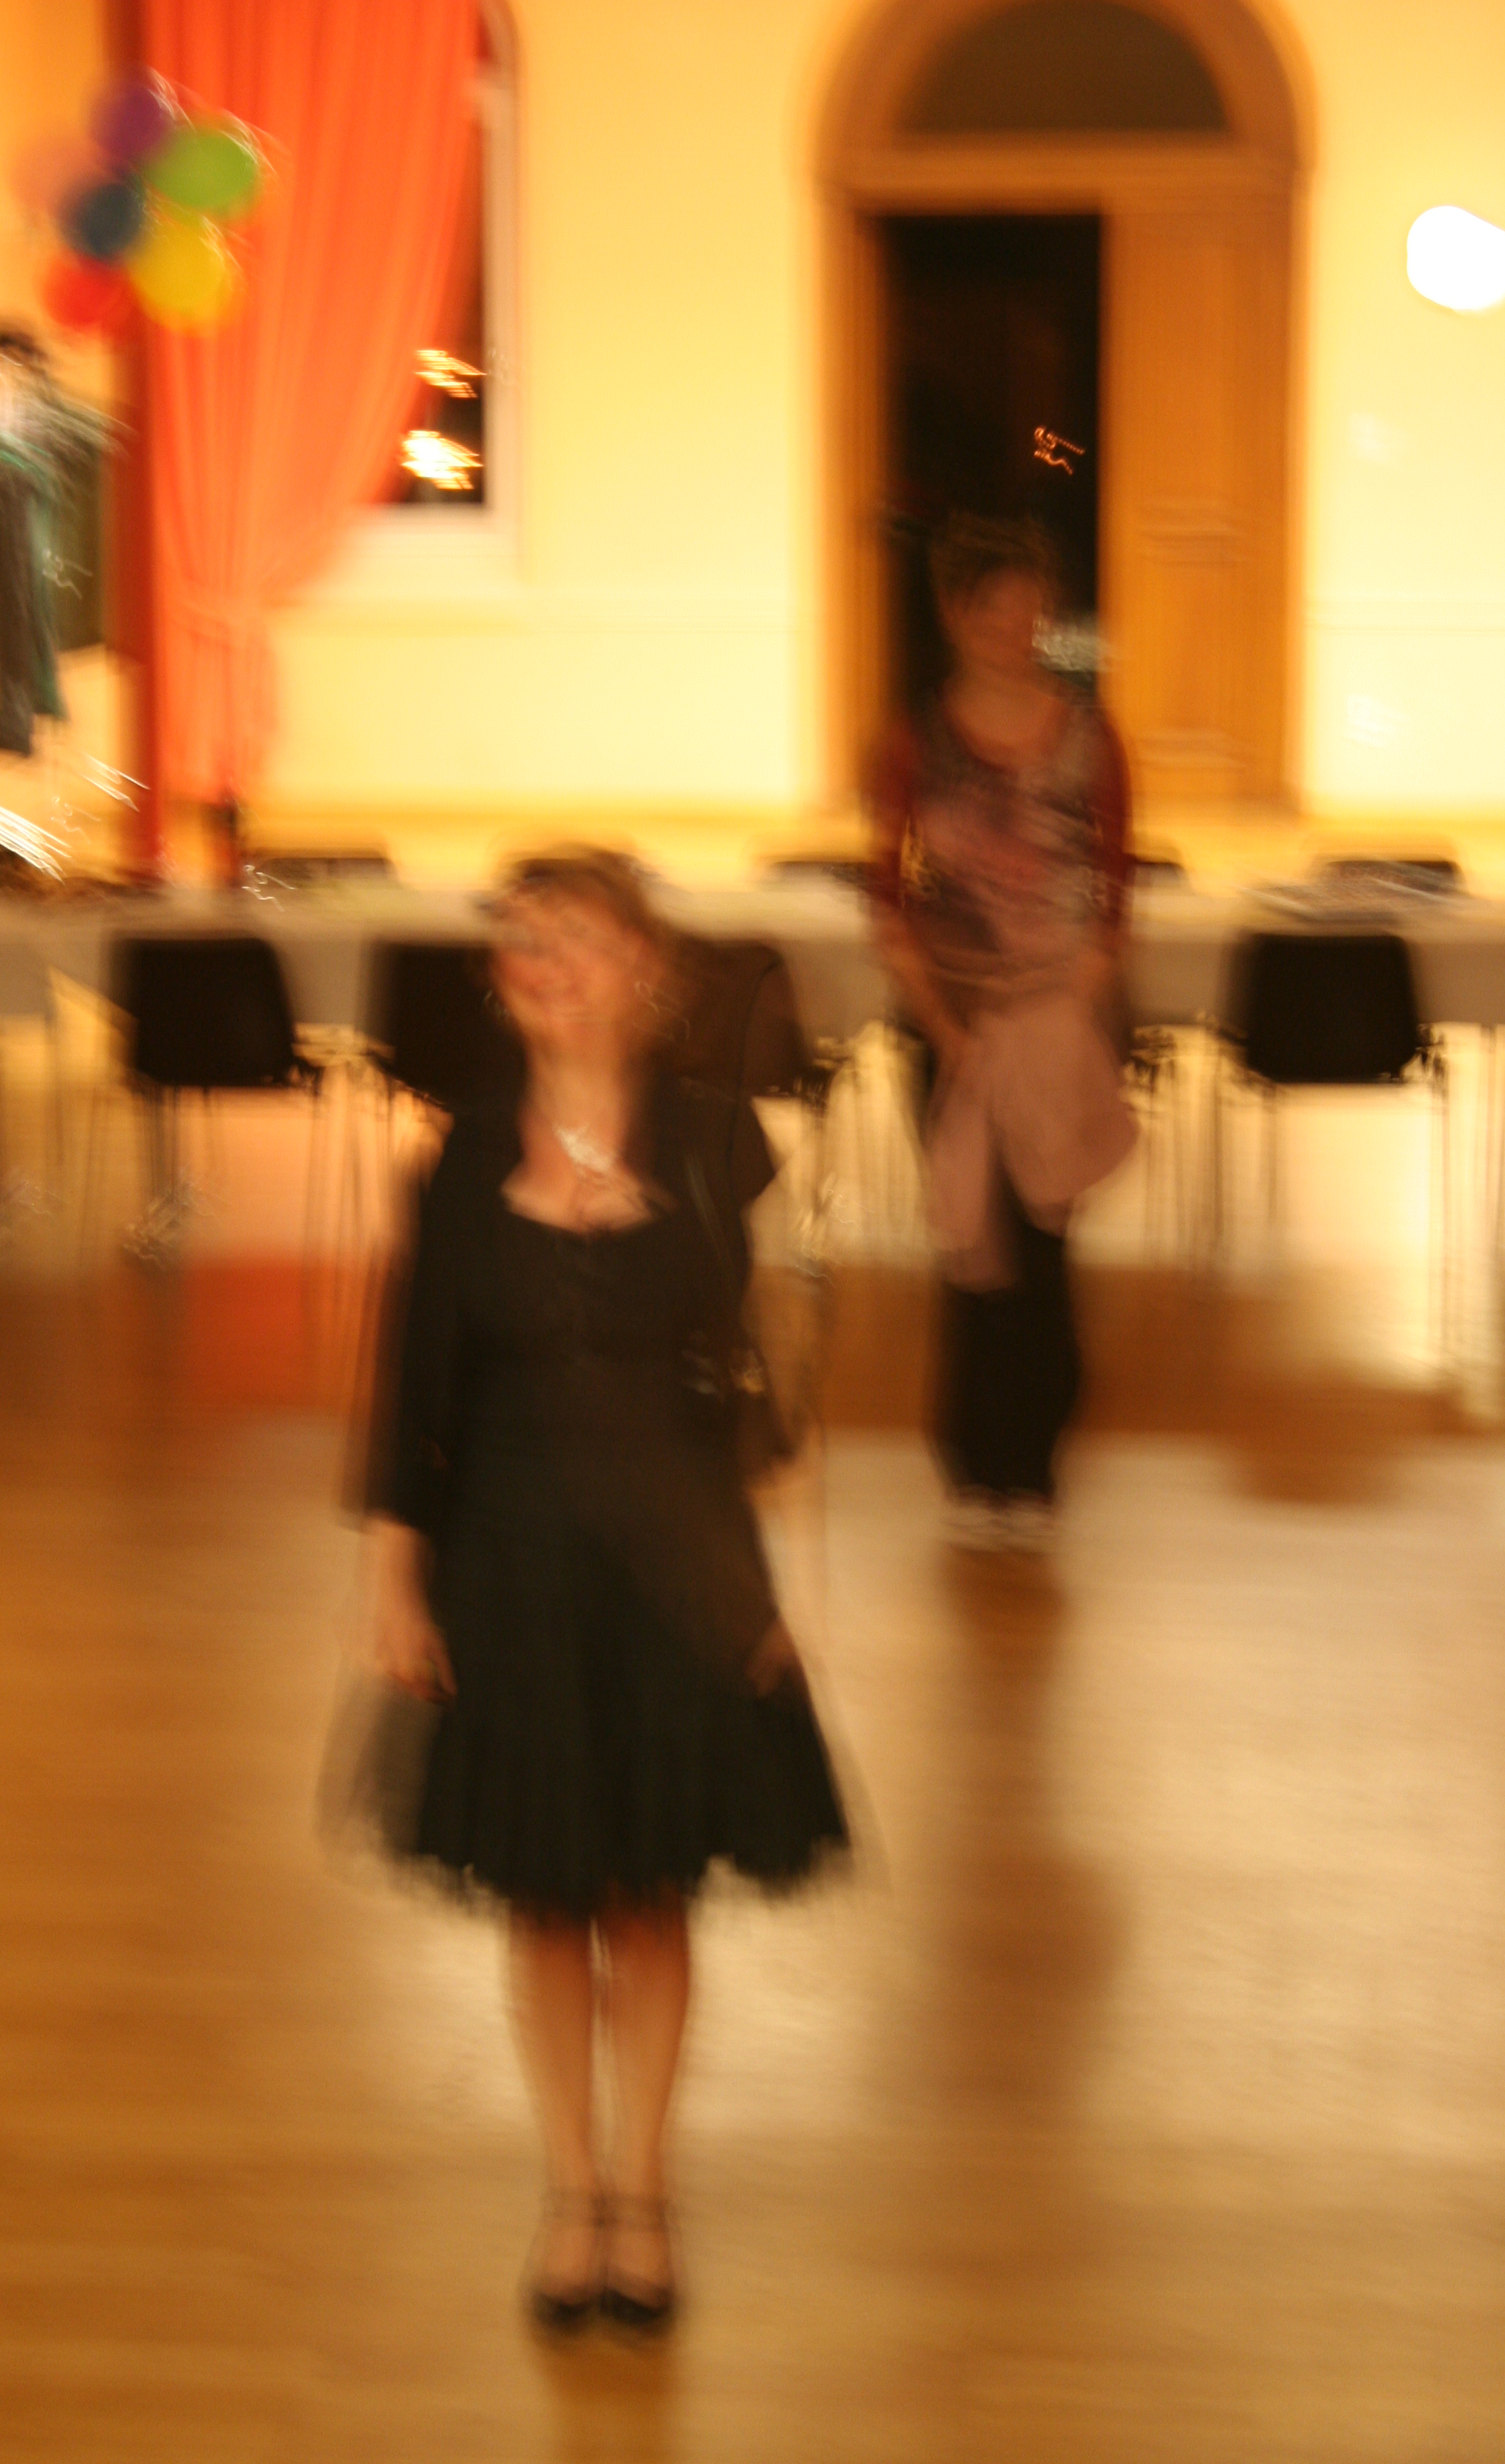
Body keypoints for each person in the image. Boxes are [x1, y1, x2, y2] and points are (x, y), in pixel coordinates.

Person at [354, 848, 848, 2336]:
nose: (543, 965)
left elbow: (777, 1382)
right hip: (507, 1551)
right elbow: (412, 1382)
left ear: (649, 970)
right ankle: (571, 2191)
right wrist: (396, 1578)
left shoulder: (719, 1143)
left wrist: (778, 1586)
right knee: (546, 1892)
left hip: (677, 1556)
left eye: (574, 937)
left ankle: (644, 2186)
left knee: (649, 1894)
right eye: (521, 942)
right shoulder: (458, 1151)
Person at [868, 514, 1136, 1549]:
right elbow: (887, 898)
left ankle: (1036, 1462)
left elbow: (1113, 893)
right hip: (954, 1024)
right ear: (954, 614)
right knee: (970, 1238)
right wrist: (947, 1027)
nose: (1013, 631)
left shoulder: (1091, 736)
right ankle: (975, 1462)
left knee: (1045, 1239)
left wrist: (1074, 1004)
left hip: (1060, 1023)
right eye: (993, 611)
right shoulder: (914, 740)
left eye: (1030, 613)